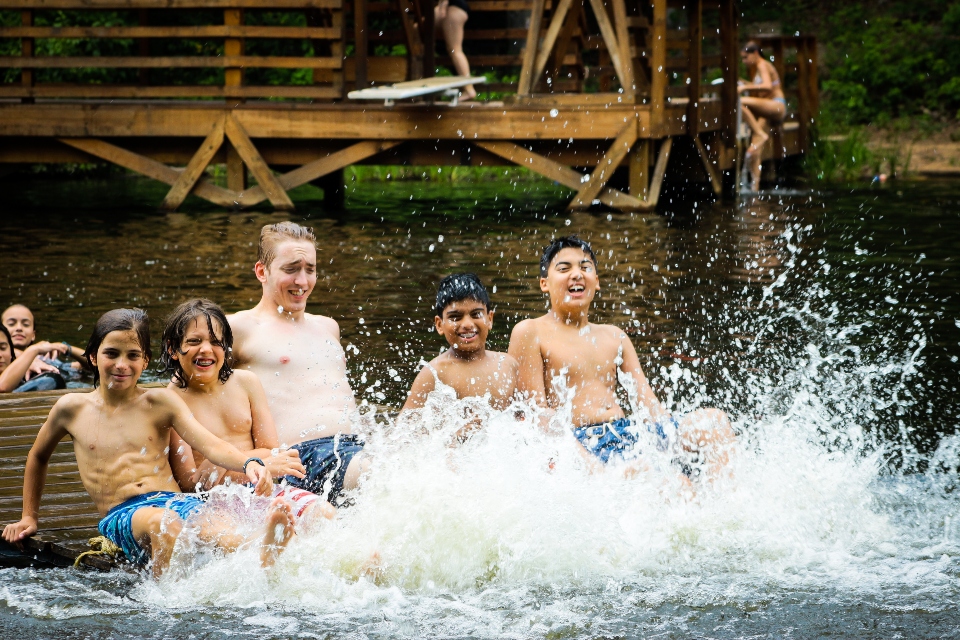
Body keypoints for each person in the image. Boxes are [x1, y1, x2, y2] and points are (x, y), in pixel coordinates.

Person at [1, 308, 296, 577]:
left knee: (223, 533)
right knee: (162, 523)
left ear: (146, 360)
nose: (122, 364)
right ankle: (161, 598)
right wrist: (30, 516)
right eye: (111, 354)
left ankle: (264, 553)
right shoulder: (71, 408)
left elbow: (210, 445)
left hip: (177, 501)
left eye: (132, 355)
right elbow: (38, 456)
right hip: (123, 513)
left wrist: (250, 462)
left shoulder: (159, 402)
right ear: (93, 356)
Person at [507, 236, 736, 479]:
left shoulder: (614, 336)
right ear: (544, 283)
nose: (577, 274)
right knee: (663, 476)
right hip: (583, 443)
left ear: (596, 282)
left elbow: (648, 405)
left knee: (714, 422)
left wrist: (672, 438)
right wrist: (592, 467)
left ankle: (727, 506)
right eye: (564, 269)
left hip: (627, 432)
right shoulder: (531, 331)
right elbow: (533, 415)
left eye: (585, 268)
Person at [228, 222, 367, 506]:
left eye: (310, 270)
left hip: (356, 449)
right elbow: (186, 385)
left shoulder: (329, 327)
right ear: (261, 272)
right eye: (291, 269)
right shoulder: (239, 327)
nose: (302, 281)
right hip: (301, 458)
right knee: (383, 474)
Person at [161, 298, 335, 523]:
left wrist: (220, 463)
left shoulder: (246, 383)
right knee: (258, 535)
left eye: (216, 341)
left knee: (324, 514)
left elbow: (271, 451)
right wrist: (255, 466)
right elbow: (191, 483)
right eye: (194, 341)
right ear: (173, 349)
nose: (206, 349)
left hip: (262, 489)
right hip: (215, 502)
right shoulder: (171, 401)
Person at [401, 273, 518, 441]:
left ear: (490, 319)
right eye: (455, 317)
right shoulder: (434, 374)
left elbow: (526, 417)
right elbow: (403, 434)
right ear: (440, 325)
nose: (467, 324)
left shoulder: (507, 364)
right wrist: (452, 439)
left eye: (476, 314)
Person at [738, 40, 787, 192]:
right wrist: (743, 82)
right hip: (766, 111)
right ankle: (755, 189)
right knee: (754, 150)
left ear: (755, 54)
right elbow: (760, 90)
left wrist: (744, 87)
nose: (744, 61)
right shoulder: (757, 69)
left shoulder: (762, 64)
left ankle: (760, 134)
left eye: (746, 57)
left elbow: (767, 86)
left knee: (738, 101)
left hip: (776, 105)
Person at [435, 0, 476, 101]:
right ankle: (468, 89)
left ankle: (469, 89)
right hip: (457, 7)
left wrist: (443, 6)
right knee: (454, 50)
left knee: (456, 51)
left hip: (454, 8)